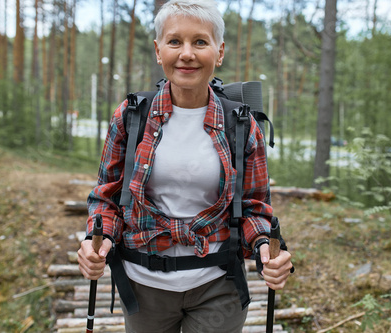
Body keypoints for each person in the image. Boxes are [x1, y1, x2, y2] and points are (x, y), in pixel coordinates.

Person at [77, 0, 293, 332]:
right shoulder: (132, 116)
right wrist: (100, 237)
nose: (187, 53)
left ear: (219, 52)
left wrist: (266, 248)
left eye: (200, 42)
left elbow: (254, 207)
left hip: (218, 284)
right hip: (143, 285)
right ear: (158, 50)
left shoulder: (242, 125)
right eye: (175, 41)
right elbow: (107, 197)